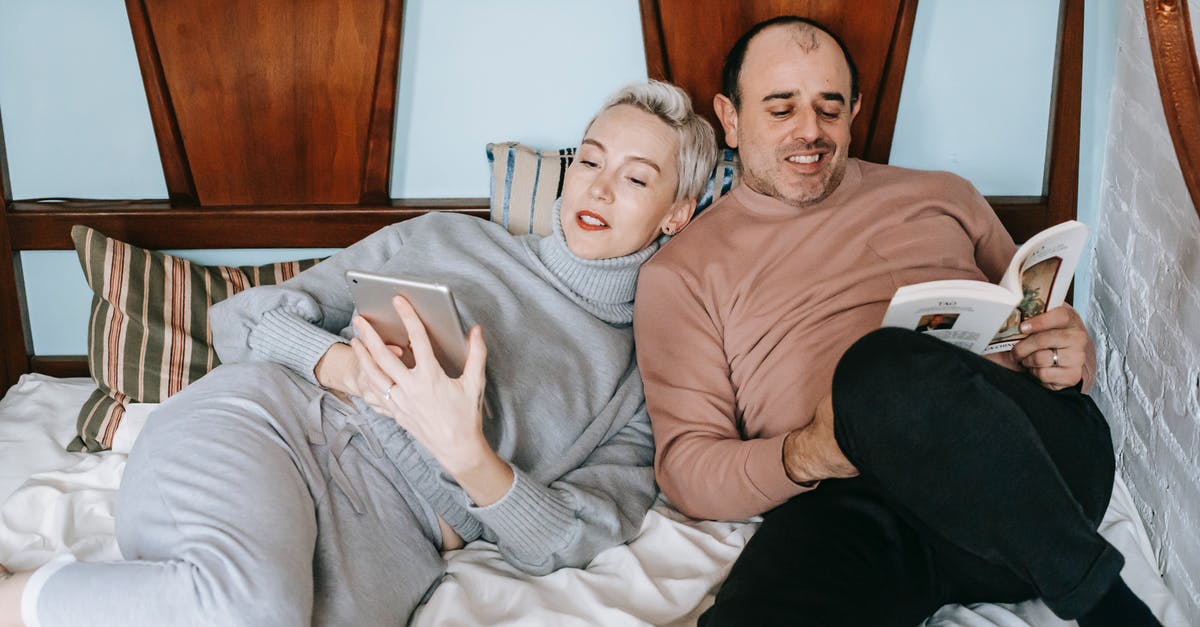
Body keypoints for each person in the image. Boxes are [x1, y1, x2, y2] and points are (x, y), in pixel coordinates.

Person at [0, 80, 717, 627]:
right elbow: (246, 317)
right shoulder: (451, 237)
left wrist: (469, 456)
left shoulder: (637, 378)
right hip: (276, 426)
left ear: (678, 212)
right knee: (251, 608)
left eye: (634, 177)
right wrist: (351, 370)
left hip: (390, 539)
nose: (596, 185)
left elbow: (568, 538)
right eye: (589, 159)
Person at [633, 16, 1162, 627]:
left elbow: (1031, 313)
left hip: (1038, 472)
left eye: (829, 108)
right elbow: (687, 470)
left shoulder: (945, 194)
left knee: (879, 363)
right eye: (781, 110)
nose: (811, 131)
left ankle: (1107, 605)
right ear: (729, 117)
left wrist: (1066, 356)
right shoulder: (681, 272)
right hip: (861, 508)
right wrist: (807, 455)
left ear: (855, 109)